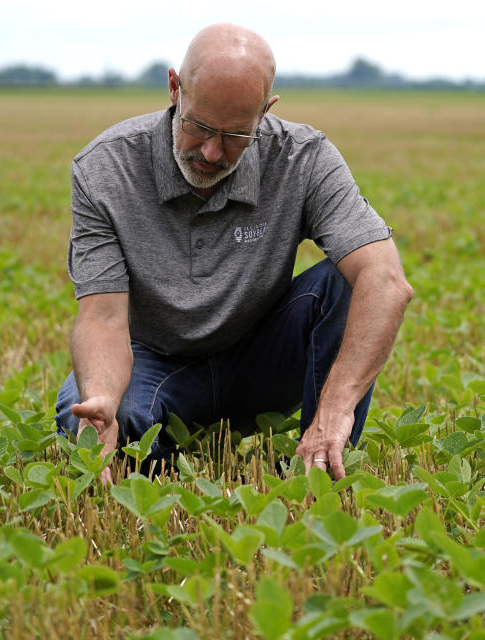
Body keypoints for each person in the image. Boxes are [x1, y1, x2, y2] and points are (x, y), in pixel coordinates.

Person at [55, 23, 413, 483]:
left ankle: (320, 464)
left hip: (263, 357)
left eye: (236, 135)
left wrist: (336, 410)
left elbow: (386, 281)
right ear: (173, 89)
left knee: (352, 279)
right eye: (199, 126)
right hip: (154, 361)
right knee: (91, 423)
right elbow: (102, 317)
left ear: (265, 112)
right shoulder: (105, 168)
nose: (210, 151)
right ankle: (157, 468)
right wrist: (103, 395)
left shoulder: (303, 158)